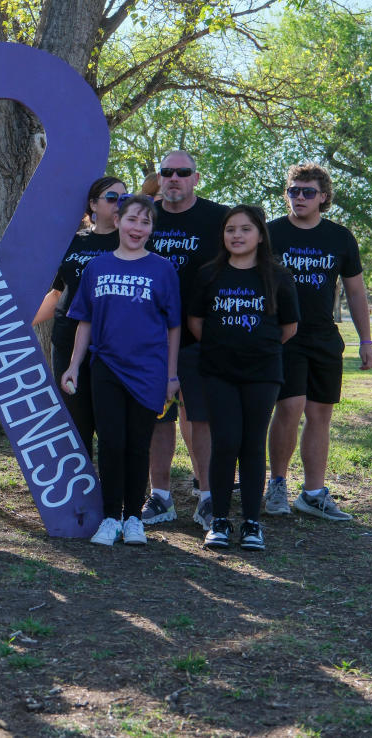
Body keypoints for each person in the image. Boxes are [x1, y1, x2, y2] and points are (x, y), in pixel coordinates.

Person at [63, 195, 181, 547]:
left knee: (137, 446)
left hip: (149, 371)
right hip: (106, 369)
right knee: (111, 444)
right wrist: (73, 365)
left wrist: (172, 376)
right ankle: (111, 518)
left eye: (146, 223)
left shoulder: (163, 269)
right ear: (118, 221)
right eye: (132, 220)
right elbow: (84, 321)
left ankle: (134, 519)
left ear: (151, 229)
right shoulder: (97, 267)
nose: (138, 228)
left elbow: (174, 326)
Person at [265, 163, 372, 521]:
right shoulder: (270, 234)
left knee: (319, 414)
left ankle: (312, 494)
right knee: (290, 407)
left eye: (307, 192)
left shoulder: (340, 238)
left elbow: (356, 292)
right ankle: (276, 486)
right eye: (293, 190)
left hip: (324, 337)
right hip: (284, 336)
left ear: (323, 197)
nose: (299, 197)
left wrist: (366, 340)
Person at [189, 206, 299, 550]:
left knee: (252, 445)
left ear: (260, 235)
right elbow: (196, 322)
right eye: (230, 229)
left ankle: (252, 523)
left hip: (263, 373)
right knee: (225, 443)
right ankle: (219, 521)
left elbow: (288, 327)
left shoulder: (278, 276)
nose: (237, 235)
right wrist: (225, 347)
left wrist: (255, 349)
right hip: (218, 372)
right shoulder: (209, 274)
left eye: (245, 229)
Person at [144, 150, 228, 532]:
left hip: (200, 334)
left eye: (182, 172)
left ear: (197, 177)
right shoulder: (145, 216)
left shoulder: (218, 218)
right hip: (148, 335)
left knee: (202, 418)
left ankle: (209, 498)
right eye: (166, 172)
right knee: (157, 419)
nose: (174, 178)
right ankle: (159, 497)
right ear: (158, 178)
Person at [33, 176, 125, 458]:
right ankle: (81, 497)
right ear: (93, 204)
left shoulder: (129, 242)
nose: (119, 204)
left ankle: (114, 497)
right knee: (75, 424)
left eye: (124, 198)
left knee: (112, 425)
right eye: (112, 198)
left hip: (111, 347)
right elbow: (58, 293)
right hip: (66, 342)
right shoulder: (71, 242)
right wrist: (22, 324)